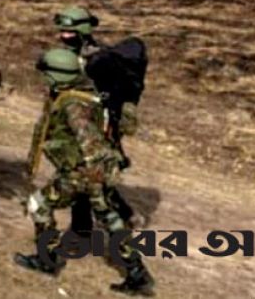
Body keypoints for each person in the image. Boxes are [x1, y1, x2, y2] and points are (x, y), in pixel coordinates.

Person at [14, 48, 155, 296]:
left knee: (38, 205)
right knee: (111, 221)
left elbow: (90, 141)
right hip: (95, 174)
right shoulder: (86, 93)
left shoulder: (73, 106)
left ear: (58, 76)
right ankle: (138, 273)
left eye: (47, 74)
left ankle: (47, 260)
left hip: (83, 173)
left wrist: (90, 176)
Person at [55, 5, 142, 229]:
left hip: (97, 124)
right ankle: (116, 218)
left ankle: (93, 225)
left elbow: (107, 97)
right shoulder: (75, 55)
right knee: (85, 173)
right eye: (62, 32)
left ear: (81, 31)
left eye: (68, 32)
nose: (63, 36)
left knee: (87, 174)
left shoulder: (98, 59)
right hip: (77, 122)